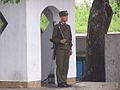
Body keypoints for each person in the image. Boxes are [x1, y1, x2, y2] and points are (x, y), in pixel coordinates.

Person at [51, 10, 73, 87]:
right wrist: (60, 41)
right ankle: (60, 82)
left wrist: (70, 48)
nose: (67, 17)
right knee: (60, 65)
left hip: (67, 49)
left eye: (67, 16)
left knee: (65, 66)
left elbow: (70, 38)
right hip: (60, 49)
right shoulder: (57, 27)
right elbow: (53, 38)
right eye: (65, 16)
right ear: (61, 17)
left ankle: (64, 81)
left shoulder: (68, 27)